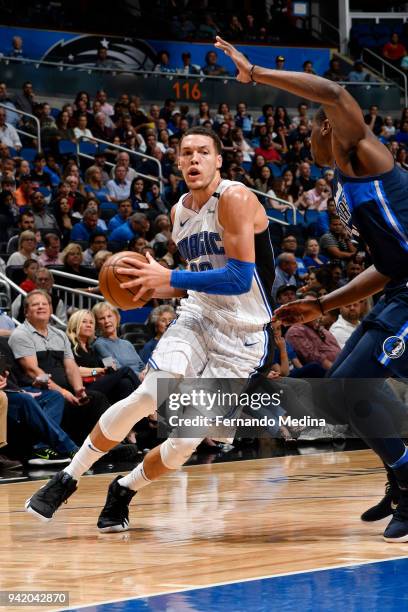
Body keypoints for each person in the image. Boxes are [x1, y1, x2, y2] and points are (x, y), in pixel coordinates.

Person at [25, 126, 275, 534]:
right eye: (186, 153)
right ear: (176, 162)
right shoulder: (179, 212)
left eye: (203, 153)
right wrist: (155, 284)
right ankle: (67, 477)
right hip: (198, 316)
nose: (194, 160)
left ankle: (123, 488)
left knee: (182, 445)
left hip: (244, 335)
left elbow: (239, 278)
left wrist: (169, 276)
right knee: (149, 392)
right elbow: (195, 278)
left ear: (218, 161)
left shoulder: (234, 197)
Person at [213, 36, 408, 541]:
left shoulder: (365, 155)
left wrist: (254, 71)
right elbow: (387, 267)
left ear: (331, 127)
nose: (313, 133)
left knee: (354, 385)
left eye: (318, 124)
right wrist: (322, 303)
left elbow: (334, 92)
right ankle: (400, 476)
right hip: (400, 288)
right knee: (340, 390)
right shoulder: (344, 183)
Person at [8, 290, 110, 447]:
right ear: (26, 312)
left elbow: (71, 367)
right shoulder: (21, 334)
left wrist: (78, 390)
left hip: (66, 389)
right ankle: (51, 449)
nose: (41, 307)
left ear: (51, 309)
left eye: (45, 304)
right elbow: (33, 371)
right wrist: (63, 392)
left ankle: (103, 446)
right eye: (35, 304)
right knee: (58, 399)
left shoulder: (60, 335)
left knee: (96, 398)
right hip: (40, 389)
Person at [66, 309, 140, 405]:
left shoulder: (91, 347)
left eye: (91, 323)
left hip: (96, 383)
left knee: (125, 383)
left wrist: (106, 369)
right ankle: (147, 401)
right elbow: (74, 371)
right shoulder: (69, 344)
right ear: (75, 323)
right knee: (126, 370)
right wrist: (98, 370)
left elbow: (107, 367)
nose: (88, 325)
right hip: (82, 388)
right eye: (84, 322)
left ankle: (138, 419)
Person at [92, 302, 145, 377]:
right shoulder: (99, 345)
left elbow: (141, 365)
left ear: (117, 318)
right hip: (126, 381)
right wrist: (139, 376)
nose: (107, 321)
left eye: (109, 316)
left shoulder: (127, 344)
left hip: (141, 380)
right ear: (97, 324)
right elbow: (116, 369)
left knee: (164, 378)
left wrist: (146, 375)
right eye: (102, 318)